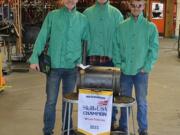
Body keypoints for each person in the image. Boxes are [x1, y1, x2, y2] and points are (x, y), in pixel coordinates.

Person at [29, 0, 88, 135]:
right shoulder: (52, 16)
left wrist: (81, 64)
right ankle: (47, 131)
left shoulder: (83, 19)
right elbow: (42, 36)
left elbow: (85, 42)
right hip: (54, 67)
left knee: (68, 101)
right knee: (51, 101)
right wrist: (34, 58)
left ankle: (66, 129)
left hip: (72, 68)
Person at [113, 0, 159, 135]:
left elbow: (154, 49)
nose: (136, 8)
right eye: (133, 5)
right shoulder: (121, 27)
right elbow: (115, 46)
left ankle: (143, 129)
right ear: (129, 6)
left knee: (142, 102)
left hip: (141, 72)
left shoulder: (150, 27)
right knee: (124, 101)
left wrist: (147, 66)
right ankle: (123, 128)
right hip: (125, 71)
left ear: (144, 6)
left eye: (139, 5)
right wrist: (118, 64)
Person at [83, 0, 124, 129]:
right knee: (92, 94)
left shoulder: (116, 14)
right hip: (91, 60)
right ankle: (92, 122)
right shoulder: (86, 14)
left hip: (111, 60)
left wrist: (120, 60)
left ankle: (111, 122)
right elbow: (82, 39)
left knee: (111, 94)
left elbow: (121, 40)